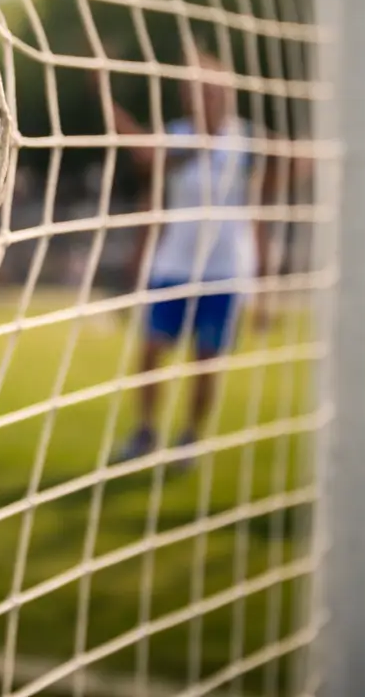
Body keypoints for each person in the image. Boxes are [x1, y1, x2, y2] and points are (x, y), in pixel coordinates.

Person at [112, 50, 278, 467]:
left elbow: (259, 214)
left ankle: (190, 438)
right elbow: (146, 167)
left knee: (206, 361)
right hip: (172, 266)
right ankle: (146, 432)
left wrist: (263, 284)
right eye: (195, 89)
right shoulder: (177, 137)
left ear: (226, 93)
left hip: (224, 271)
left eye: (211, 88)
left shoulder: (246, 144)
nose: (203, 96)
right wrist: (139, 251)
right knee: (151, 352)